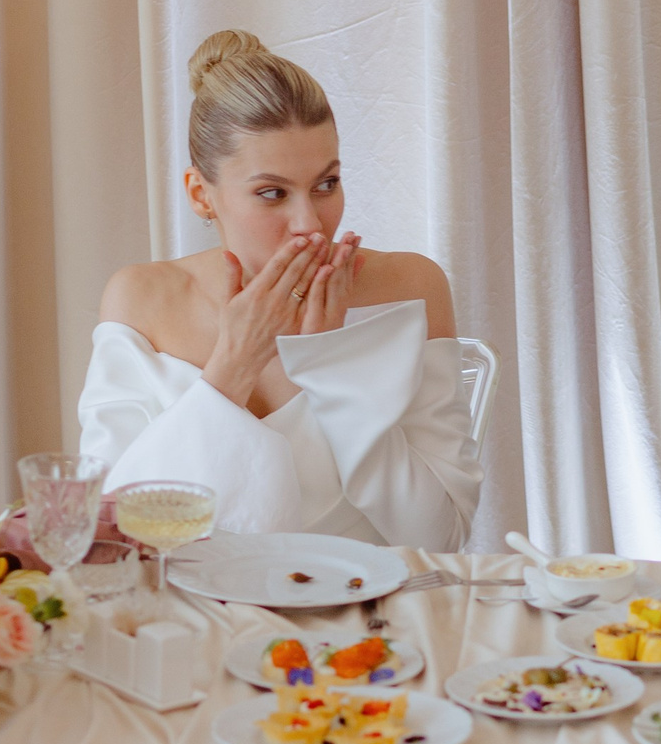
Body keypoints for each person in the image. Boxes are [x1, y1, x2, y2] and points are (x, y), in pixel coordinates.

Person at [80, 31, 481, 547]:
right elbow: (109, 536)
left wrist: (334, 370)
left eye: (326, 185)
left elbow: (441, 538)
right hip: (189, 596)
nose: (310, 223)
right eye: (272, 193)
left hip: (373, 597)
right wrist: (231, 368)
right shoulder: (143, 300)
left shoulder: (409, 286)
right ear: (201, 194)